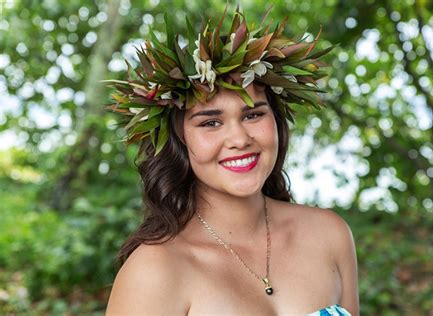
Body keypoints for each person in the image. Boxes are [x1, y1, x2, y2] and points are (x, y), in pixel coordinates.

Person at [104, 7, 359, 315]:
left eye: (253, 115)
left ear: (276, 123)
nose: (239, 138)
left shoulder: (330, 234)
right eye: (210, 122)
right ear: (179, 139)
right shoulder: (155, 272)